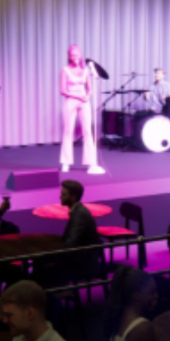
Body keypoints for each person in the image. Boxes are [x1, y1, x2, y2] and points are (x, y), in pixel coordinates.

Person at [58, 44, 104, 175]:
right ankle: (66, 162)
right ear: (69, 57)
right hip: (70, 101)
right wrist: (77, 95)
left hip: (84, 102)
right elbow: (62, 90)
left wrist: (87, 96)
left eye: (77, 55)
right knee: (68, 131)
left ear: (81, 56)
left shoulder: (85, 71)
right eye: (72, 55)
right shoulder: (65, 70)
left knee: (88, 132)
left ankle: (91, 163)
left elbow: (89, 89)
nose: (75, 57)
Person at [57, 180, 103, 286]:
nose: (60, 197)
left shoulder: (80, 214)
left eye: (63, 194)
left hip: (82, 263)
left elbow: (70, 245)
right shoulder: (78, 211)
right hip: (80, 257)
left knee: (44, 268)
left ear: (73, 197)